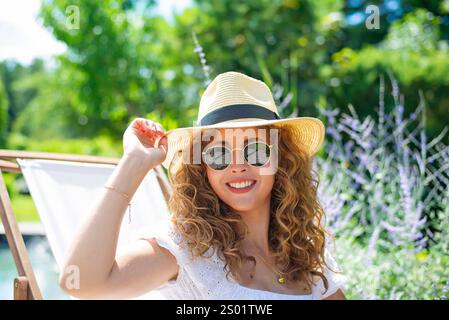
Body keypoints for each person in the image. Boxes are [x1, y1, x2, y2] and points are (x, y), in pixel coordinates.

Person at [59, 71, 346, 300]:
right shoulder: (186, 249)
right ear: (202, 168)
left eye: (255, 150)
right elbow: (82, 283)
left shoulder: (303, 252)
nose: (237, 166)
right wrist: (133, 163)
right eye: (218, 153)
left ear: (280, 159)